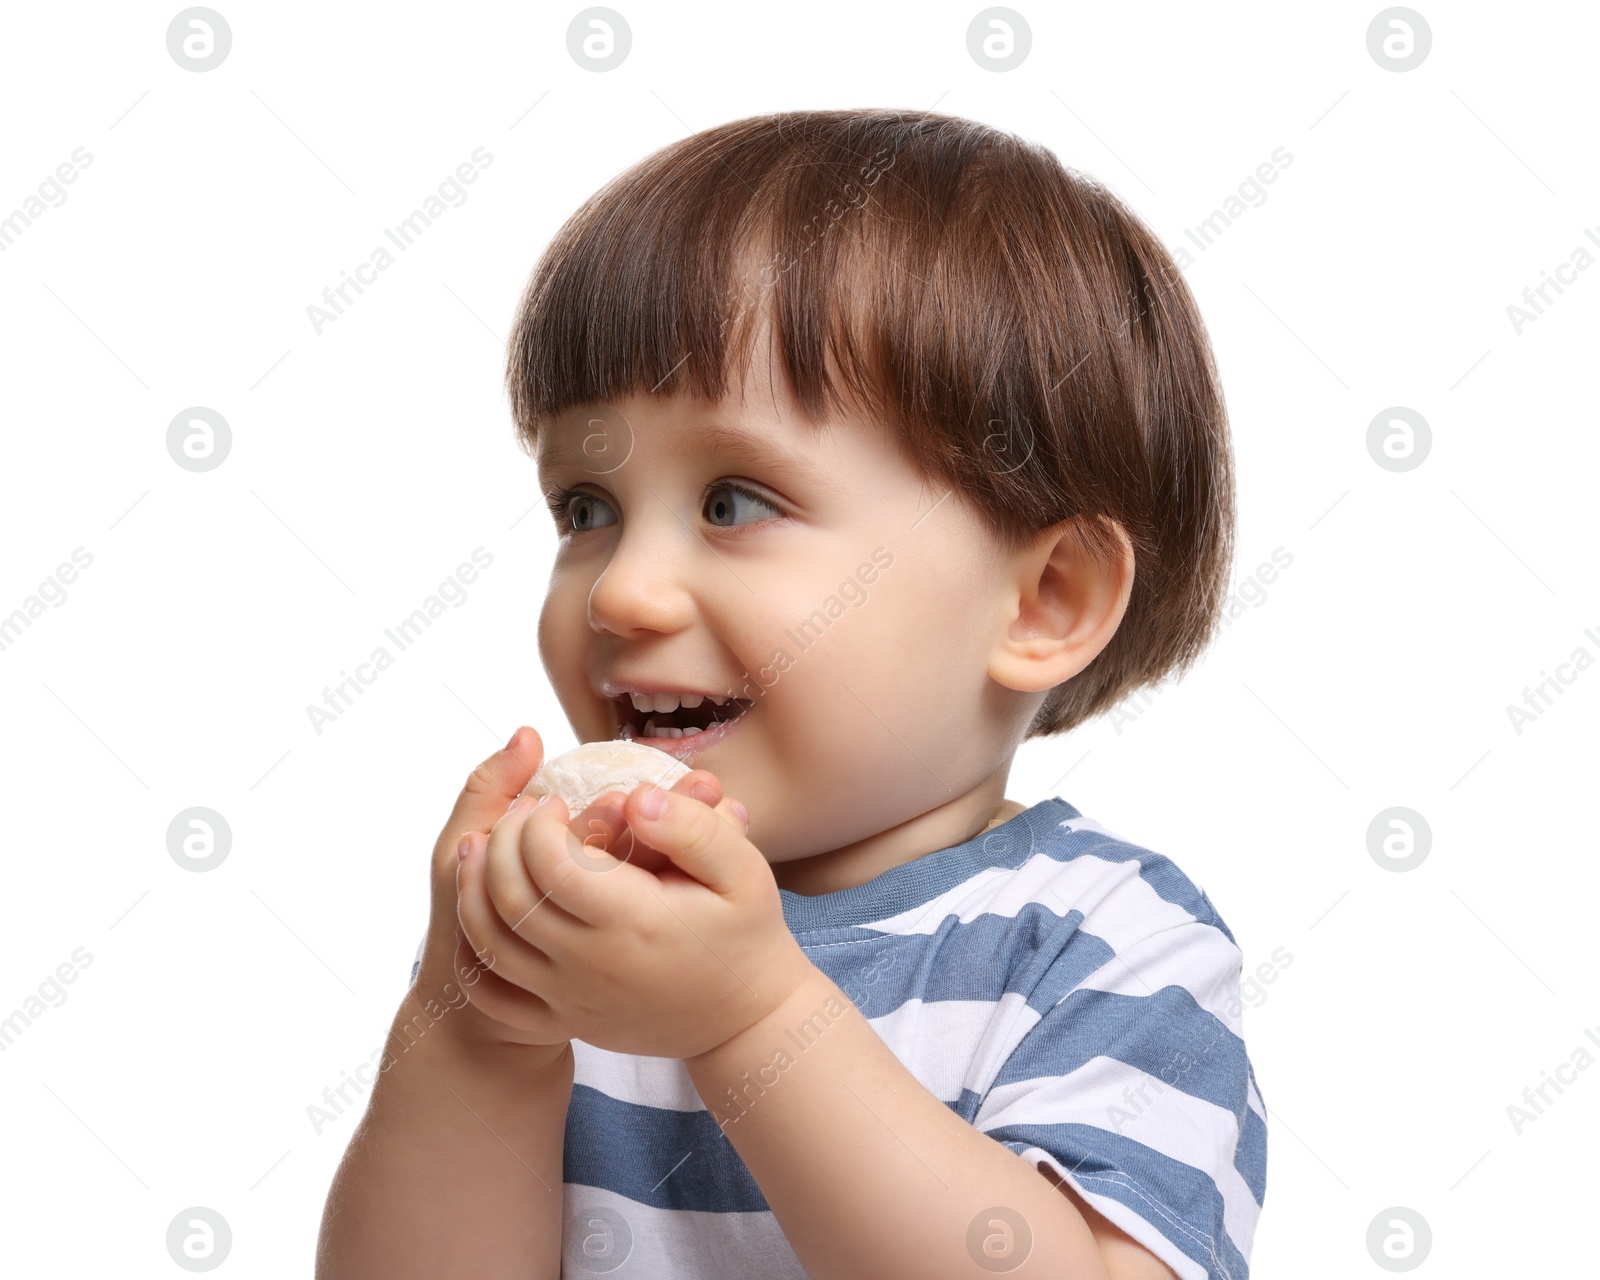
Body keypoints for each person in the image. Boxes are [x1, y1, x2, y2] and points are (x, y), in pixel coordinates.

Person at [317, 107, 1263, 1280]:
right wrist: (476, 1030)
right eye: (586, 508)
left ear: (1045, 600)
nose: (624, 590)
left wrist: (752, 1019)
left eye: (733, 502)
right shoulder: (579, 938)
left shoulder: (1103, 940)